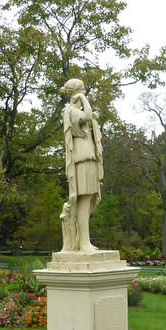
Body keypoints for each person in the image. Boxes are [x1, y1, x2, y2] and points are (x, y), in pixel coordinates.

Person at [60, 78, 103, 253]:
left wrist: (93, 119)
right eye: (83, 90)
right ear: (76, 92)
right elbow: (85, 116)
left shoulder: (75, 110)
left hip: (88, 157)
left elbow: (88, 117)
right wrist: (85, 101)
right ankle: (83, 242)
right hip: (82, 158)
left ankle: (82, 240)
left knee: (88, 199)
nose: (85, 93)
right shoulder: (71, 110)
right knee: (83, 199)